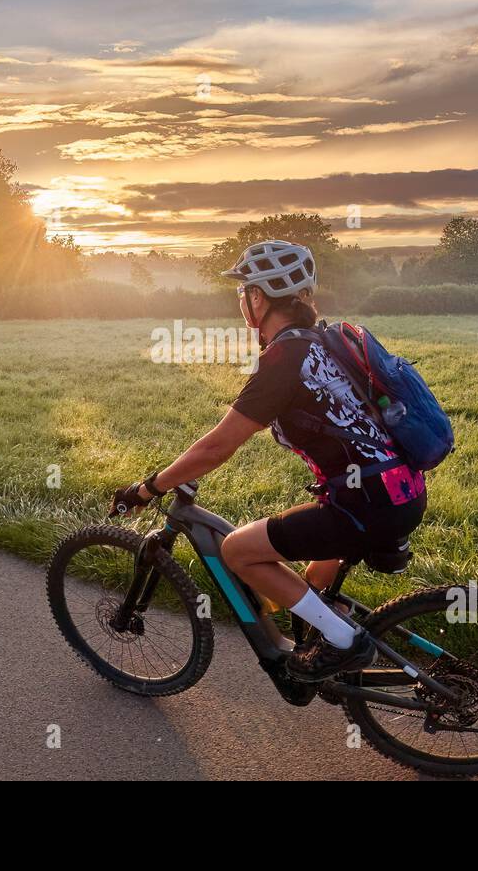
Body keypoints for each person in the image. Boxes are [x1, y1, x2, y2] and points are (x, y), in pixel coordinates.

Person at [109, 240, 426, 681]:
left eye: (242, 293)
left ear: (257, 298)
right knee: (312, 590)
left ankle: (346, 645)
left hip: (364, 505)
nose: (242, 302)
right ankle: (327, 663)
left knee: (237, 549)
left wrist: (147, 488)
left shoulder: (284, 358)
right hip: (400, 490)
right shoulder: (321, 343)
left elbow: (216, 447)